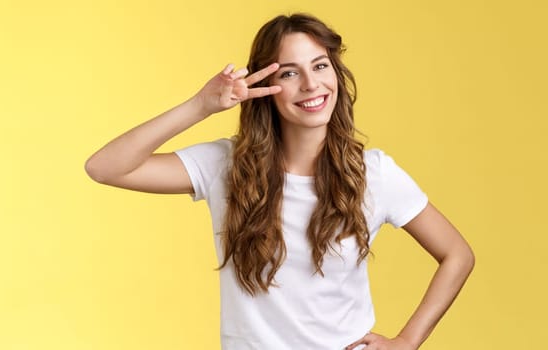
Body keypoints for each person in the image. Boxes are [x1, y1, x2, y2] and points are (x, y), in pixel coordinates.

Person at [84, 13, 474, 350]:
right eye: (290, 72)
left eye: (320, 66)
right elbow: (106, 167)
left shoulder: (375, 173)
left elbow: (457, 255)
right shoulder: (226, 165)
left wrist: (408, 341)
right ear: (265, 89)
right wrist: (200, 105)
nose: (310, 84)